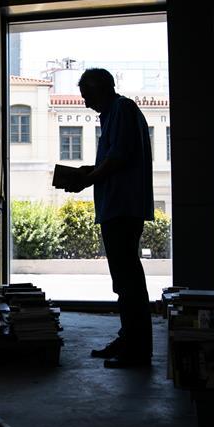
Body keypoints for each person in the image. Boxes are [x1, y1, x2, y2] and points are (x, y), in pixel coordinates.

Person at [73, 68, 154, 369]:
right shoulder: (114, 114)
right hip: (118, 206)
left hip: (123, 207)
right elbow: (113, 158)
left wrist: (88, 179)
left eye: (88, 96)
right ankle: (129, 338)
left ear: (102, 89)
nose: (85, 103)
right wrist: (89, 172)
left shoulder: (121, 109)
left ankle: (136, 349)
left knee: (128, 280)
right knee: (124, 279)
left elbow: (118, 158)